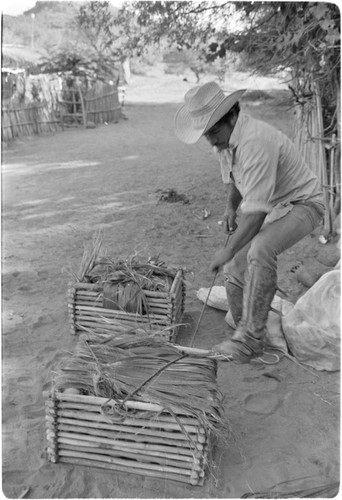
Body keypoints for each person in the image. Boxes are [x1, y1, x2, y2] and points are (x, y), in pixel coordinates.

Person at [174, 81, 324, 363]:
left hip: (304, 204)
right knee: (236, 265)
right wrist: (231, 207)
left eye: (214, 131)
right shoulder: (226, 140)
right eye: (205, 134)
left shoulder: (256, 142)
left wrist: (229, 248)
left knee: (259, 250)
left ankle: (251, 340)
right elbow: (235, 178)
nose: (210, 140)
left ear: (232, 114)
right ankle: (247, 329)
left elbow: (256, 215)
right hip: (275, 204)